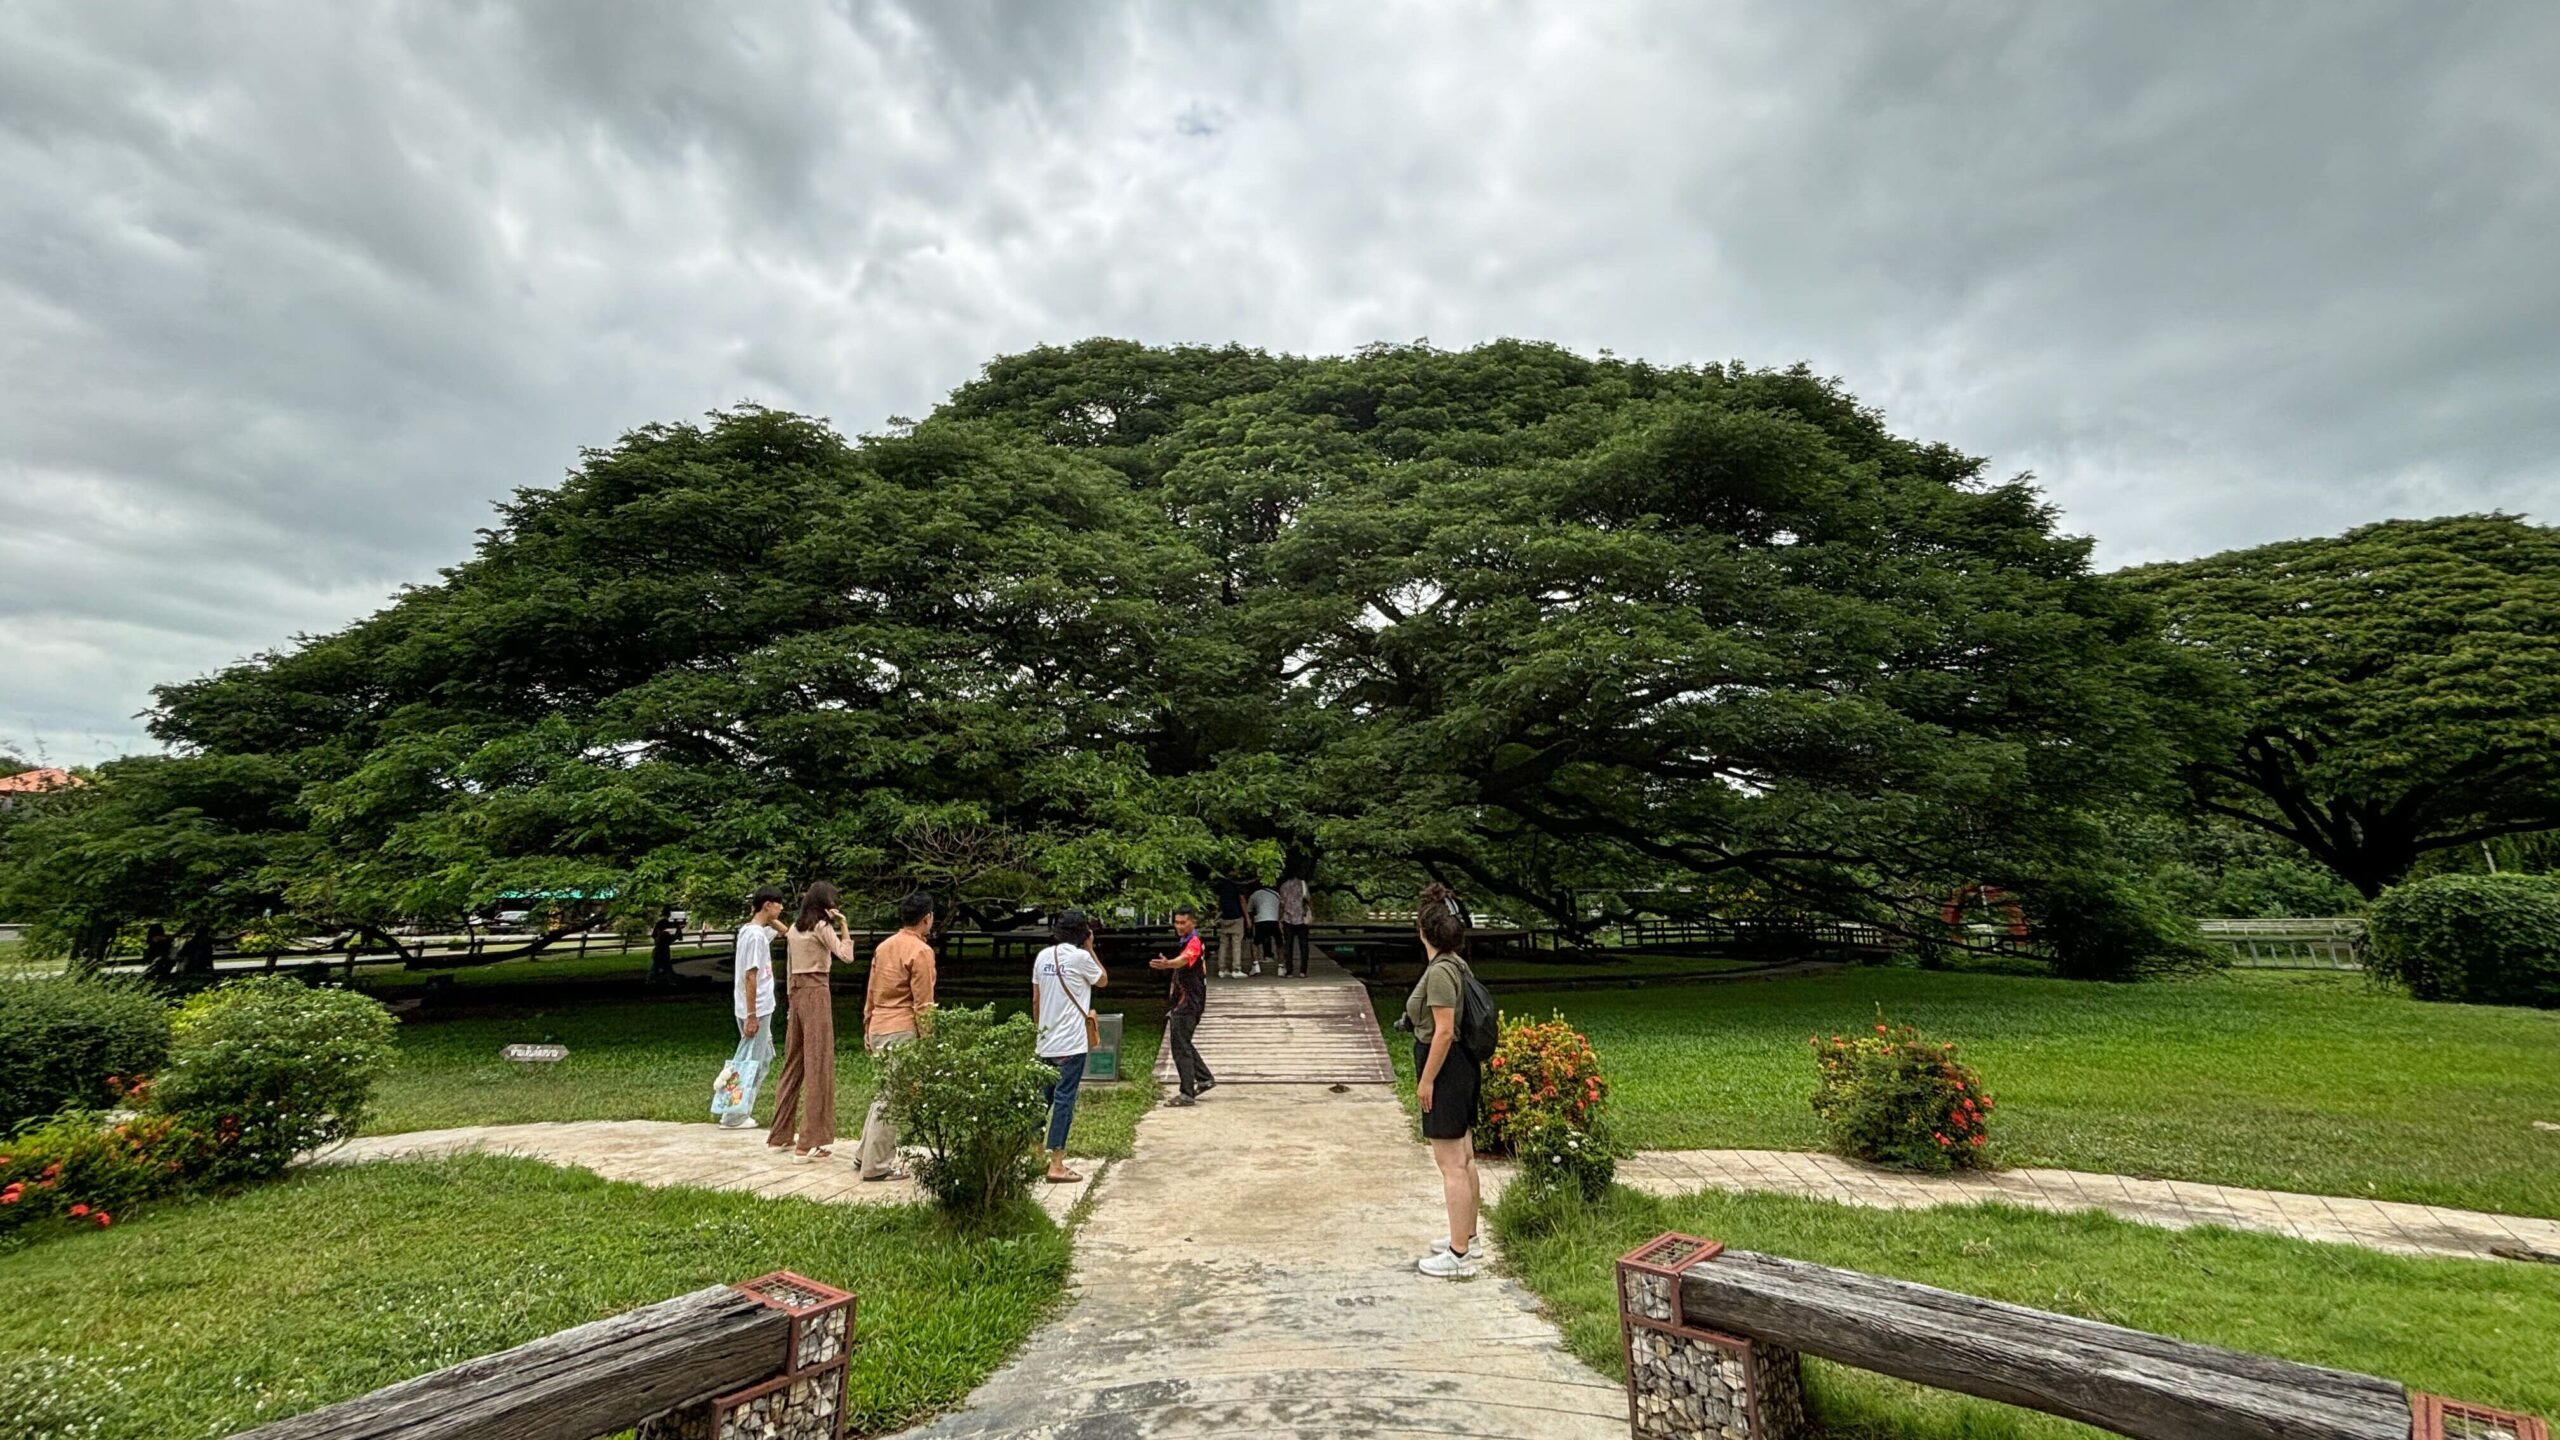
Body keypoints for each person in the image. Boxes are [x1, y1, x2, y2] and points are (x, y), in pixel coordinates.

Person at [1404, 883, 1483, 1278]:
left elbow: (1444, 1031)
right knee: (1465, 1157)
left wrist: (1426, 1080)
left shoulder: (1440, 973)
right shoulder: (1457, 963)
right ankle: (1468, 1236)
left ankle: (1458, 1256)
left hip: (1445, 1068)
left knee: (1450, 1162)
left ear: (1423, 930)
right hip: (1464, 1067)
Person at [766, 882, 853, 1162]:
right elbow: (846, 955)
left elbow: (790, 969)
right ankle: (809, 1142)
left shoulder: (793, 929)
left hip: (797, 994)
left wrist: (792, 1004)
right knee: (819, 1063)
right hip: (816, 992)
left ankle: (780, 1135)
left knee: (793, 1062)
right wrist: (844, 926)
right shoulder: (821, 928)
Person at [855, 891, 937, 1181]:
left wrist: (867, 1025)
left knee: (884, 1094)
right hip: (901, 1030)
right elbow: (923, 1004)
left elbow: (872, 990)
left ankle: (864, 1155)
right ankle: (876, 1166)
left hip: (878, 1025)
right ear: (926, 919)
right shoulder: (921, 951)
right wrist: (928, 1042)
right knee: (892, 1099)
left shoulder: (884, 946)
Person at [1030, 909, 1107, 1183]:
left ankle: (1035, 1154)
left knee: (1040, 1100)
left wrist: (1040, 1032)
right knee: (1064, 1100)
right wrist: (1090, 947)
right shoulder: (1081, 957)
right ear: (1083, 933)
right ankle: (1057, 1164)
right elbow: (1103, 980)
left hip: (1045, 1042)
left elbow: (1036, 1001)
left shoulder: (1042, 957)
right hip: (1071, 1044)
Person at [724, 888, 787, 1128]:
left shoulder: (755, 932)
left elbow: (786, 933)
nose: (781, 909)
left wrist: (770, 918)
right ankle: (734, 1113)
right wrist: (752, 1015)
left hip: (759, 1008)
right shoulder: (754, 936)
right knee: (750, 1061)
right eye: (778, 905)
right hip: (756, 1009)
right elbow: (751, 975)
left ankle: (738, 1110)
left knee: (764, 1057)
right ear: (768, 905)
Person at [1149, 906, 1214, 1105]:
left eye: (1183, 922)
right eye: (1176, 922)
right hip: (1185, 1002)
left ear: (1193, 923)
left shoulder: (1193, 942)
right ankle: (1204, 1078)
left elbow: (1183, 960)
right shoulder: (1187, 941)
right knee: (1183, 1042)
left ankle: (1186, 1093)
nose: (1179, 926)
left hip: (1188, 1004)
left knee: (1180, 1047)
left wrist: (1168, 964)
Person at [1211, 872, 1249, 978]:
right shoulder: (1237, 884)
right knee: (1236, 944)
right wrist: (1247, 918)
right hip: (1236, 917)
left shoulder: (1220, 885)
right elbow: (1242, 900)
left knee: (1223, 945)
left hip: (1224, 917)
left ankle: (1222, 969)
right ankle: (1236, 969)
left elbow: (1217, 901)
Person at [1278, 873, 1311, 977]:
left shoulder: (1283, 886)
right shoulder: (1303, 884)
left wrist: (1279, 918)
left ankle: (1289, 971)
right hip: (1302, 918)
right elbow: (1308, 899)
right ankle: (1303, 971)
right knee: (1304, 946)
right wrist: (1312, 913)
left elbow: (1282, 904)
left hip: (1288, 919)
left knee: (1288, 945)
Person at [1247, 880, 1282, 976]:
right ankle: (1281, 967)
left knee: (1255, 943)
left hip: (1260, 920)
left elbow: (1249, 909)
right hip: (1274, 920)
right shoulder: (1276, 894)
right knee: (1279, 943)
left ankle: (1255, 966)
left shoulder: (1255, 894)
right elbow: (1281, 907)